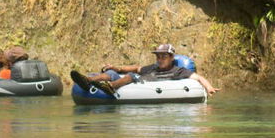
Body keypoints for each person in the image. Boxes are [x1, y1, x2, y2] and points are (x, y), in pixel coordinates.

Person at [70, 43, 219, 96]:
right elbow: (137, 67)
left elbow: (198, 77)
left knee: (131, 76)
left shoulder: (178, 71)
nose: (159, 59)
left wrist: (209, 87)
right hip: (129, 80)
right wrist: (117, 67)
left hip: (137, 84)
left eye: (163, 56)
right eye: (158, 56)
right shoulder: (153, 67)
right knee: (111, 73)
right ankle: (87, 80)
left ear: (171, 57)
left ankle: (111, 88)